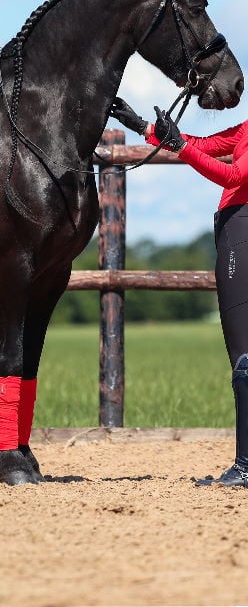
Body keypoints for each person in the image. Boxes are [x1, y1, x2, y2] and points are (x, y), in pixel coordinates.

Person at [110, 96, 248, 486]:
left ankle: (246, 465)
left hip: (242, 231)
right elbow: (205, 144)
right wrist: (144, 127)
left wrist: (181, 147)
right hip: (237, 228)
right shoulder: (245, 129)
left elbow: (235, 177)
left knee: (244, 360)